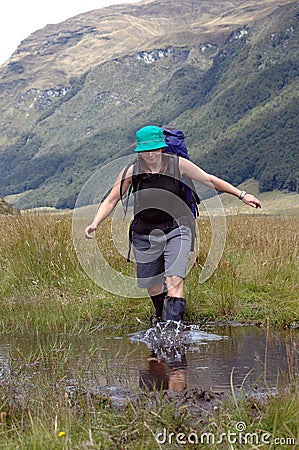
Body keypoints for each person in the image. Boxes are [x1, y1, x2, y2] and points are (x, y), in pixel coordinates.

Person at [85, 125, 261, 324]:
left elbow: (209, 180)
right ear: (139, 150)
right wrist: (95, 223)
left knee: (174, 280)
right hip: (144, 234)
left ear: (162, 147)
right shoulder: (132, 170)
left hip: (177, 229)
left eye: (155, 148)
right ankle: (162, 319)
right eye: (146, 150)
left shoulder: (178, 164)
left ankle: (172, 332)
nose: (150, 154)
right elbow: (112, 199)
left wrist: (242, 195)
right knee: (152, 285)